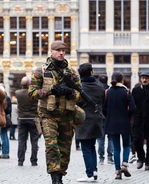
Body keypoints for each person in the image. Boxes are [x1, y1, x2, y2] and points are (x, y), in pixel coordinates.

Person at [28, 40, 81, 184]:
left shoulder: (71, 72)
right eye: (58, 50)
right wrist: (50, 90)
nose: (61, 53)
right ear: (51, 52)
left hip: (67, 116)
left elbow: (80, 94)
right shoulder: (41, 71)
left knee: (65, 150)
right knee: (52, 146)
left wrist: (71, 92)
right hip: (48, 115)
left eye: (64, 50)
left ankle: (60, 173)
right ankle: (55, 178)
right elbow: (32, 93)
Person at [75, 63, 105, 182]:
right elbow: (103, 101)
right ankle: (94, 171)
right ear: (91, 72)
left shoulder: (80, 87)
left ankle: (89, 174)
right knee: (92, 146)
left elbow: (76, 103)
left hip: (84, 120)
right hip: (97, 119)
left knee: (86, 148)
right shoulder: (100, 86)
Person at [104, 72, 135, 180]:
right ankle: (124, 164)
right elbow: (133, 108)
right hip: (125, 123)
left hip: (111, 123)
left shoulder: (107, 92)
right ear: (122, 80)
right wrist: (127, 115)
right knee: (127, 145)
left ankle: (117, 172)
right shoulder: (126, 92)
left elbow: (104, 109)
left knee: (116, 148)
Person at [15, 76, 39, 166]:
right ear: (30, 84)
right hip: (33, 119)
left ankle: (20, 161)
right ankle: (34, 161)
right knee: (34, 141)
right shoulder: (34, 93)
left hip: (22, 119)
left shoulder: (17, 93)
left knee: (21, 141)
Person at [96, 75, 114, 165]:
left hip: (100, 118)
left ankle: (101, 158)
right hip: (110, 118)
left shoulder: (98, 91)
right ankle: (110, 157)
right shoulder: (111, 90)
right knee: (111, 139)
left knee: (100, 139)